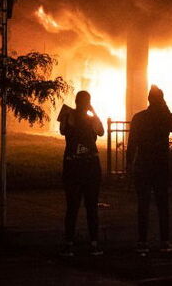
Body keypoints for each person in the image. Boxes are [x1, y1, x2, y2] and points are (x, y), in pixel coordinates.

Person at [127, 85, 172, 255]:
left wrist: (129, 166)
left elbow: (132, 143)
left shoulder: (139, 118)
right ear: (161, 100)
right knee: (162, 205)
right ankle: (164, 241)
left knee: (143, 205)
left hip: (143, 165)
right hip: (160, 166)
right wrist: (165, 107)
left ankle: (142, 241)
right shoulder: (164, 118)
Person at [59, 91, 104, 257]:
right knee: (91, 207)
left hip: (72, 166)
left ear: (76, 102)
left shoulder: (67, 117)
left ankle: (69, 244)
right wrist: (94, 111)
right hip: (91, 167)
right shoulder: (92, 120)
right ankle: (94, 244)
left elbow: (62, 130)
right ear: (88, 103)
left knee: (72, 207)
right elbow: (101, 131)